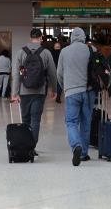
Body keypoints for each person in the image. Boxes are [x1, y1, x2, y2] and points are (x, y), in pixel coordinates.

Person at [11, 28, 57, 154]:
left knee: (26, 120)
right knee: (35, 120)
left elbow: (18, 73)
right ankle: (31, 147)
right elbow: (52, 73)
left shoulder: (21, 52)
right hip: (39, 91)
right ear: (41, 38)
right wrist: (55, 89)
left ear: (30, 37)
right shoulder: (46, 53)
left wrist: (15, 93)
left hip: (24, 92)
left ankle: (25, 146)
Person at [57, 27, 93, 166]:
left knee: (71, 122)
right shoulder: (91, 50)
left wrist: (65, 87)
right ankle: (83, 153)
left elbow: (59, 73)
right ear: (84, 37)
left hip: (71, 92)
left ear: (71, 37)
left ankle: (76, 145)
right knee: (86, 122)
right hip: (88, 92)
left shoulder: (64, 51)